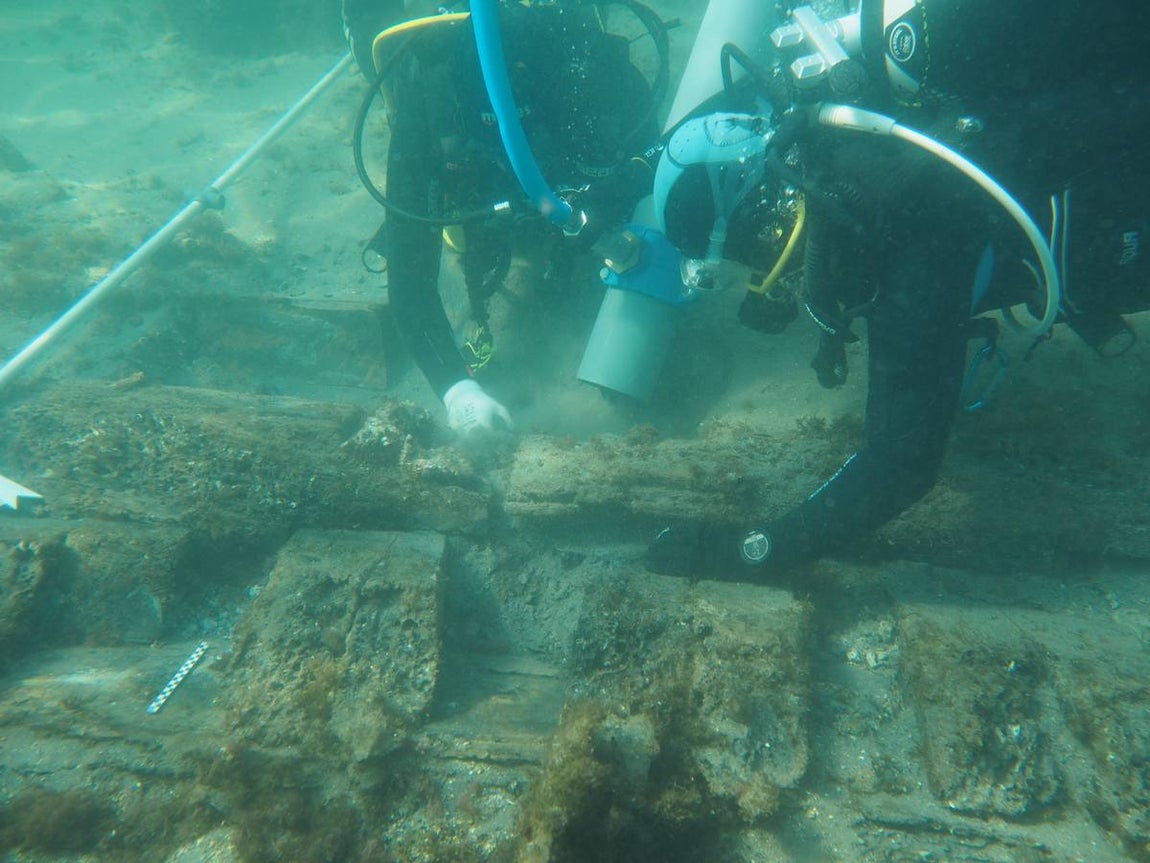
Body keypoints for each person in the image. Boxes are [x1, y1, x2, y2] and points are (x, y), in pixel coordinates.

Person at [647, 0, 1150, 577]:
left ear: (763, 222)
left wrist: (754, 550)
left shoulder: (898, 223)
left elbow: (899, 465)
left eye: (744, 258)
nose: (763, 280)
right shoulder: (869, 123)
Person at [342, 0, 664, 441]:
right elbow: (410, 282)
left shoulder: (591, 67)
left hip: (579, 199)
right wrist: (458, 392)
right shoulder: (432, 98)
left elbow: (658, 158)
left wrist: (619, 192)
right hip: (484, 217)